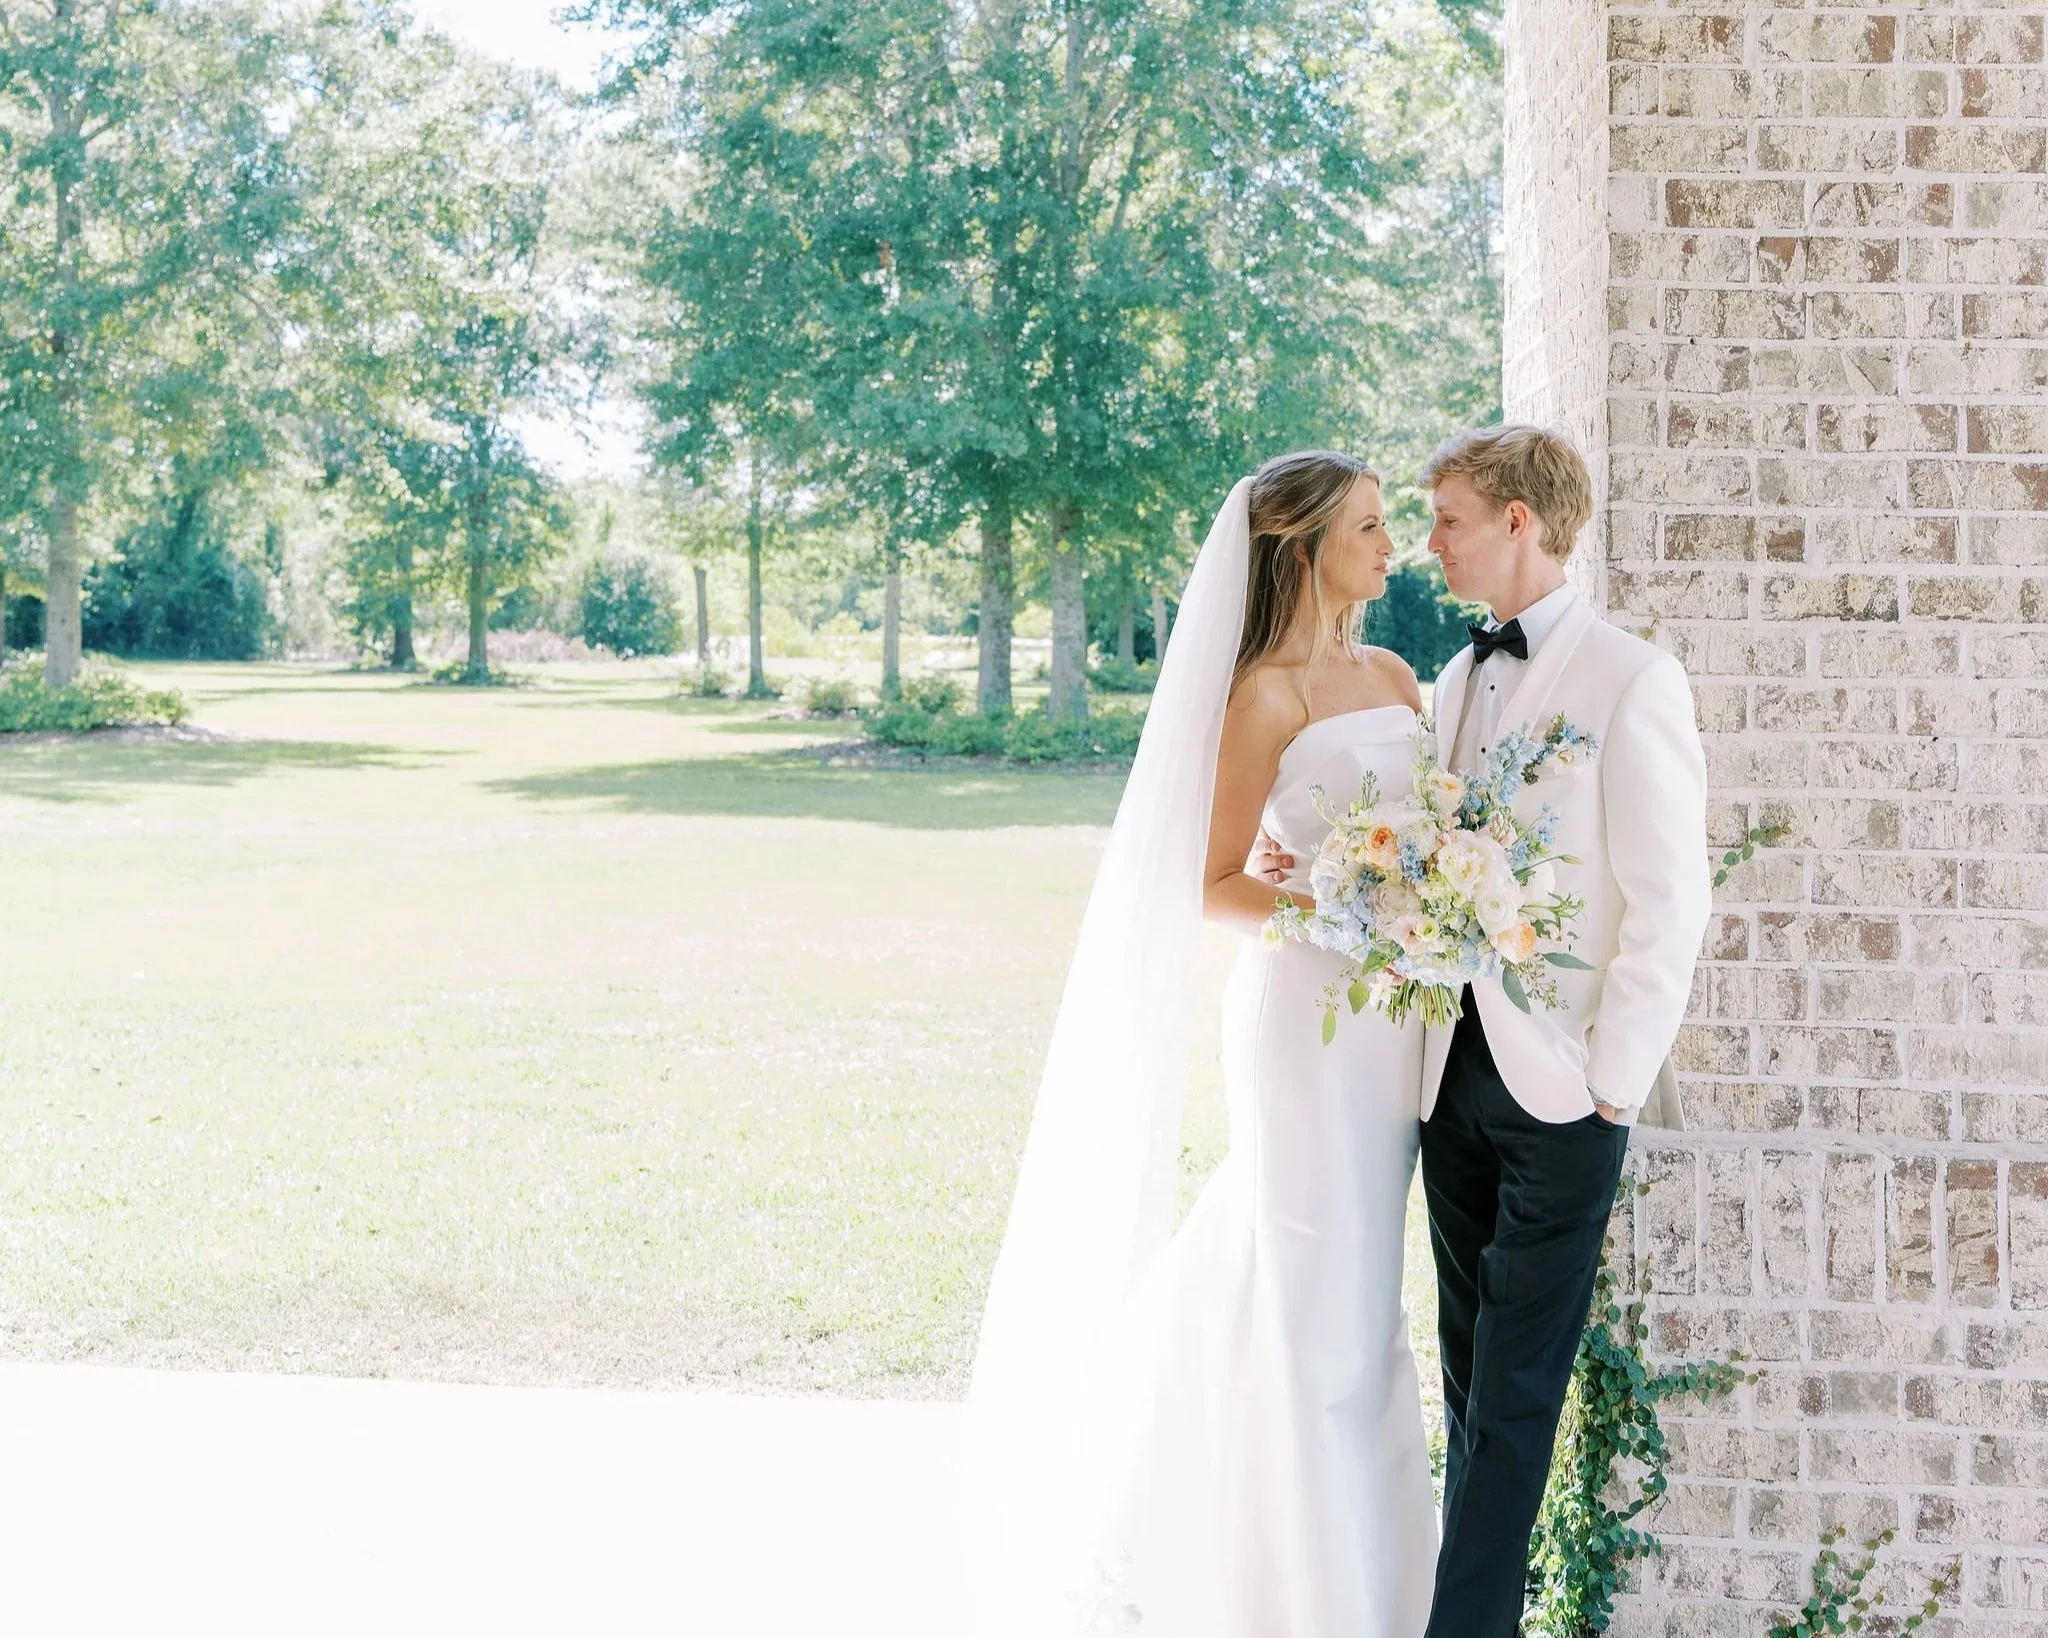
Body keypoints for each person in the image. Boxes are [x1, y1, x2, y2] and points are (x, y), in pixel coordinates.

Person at [961, 451, 1437, 1638]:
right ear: (1303, 547)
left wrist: (1428, 905)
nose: (1394, 547)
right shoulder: (1259, 694)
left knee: (1359, 1299)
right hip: (1304, 1024)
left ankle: (1372, 1576)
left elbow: (1436, 826)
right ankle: (1284, 1588)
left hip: (1396, 1029)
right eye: (1371, 529)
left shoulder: (1390, 671)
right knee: (1310, 1289)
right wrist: (1350, 913)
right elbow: (1211, 880)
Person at [1252, 424, 1710, 1638]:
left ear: (1516, 520)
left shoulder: (1628, 678)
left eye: (1446, 517)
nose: (1426, 542)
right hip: (1443, 1078)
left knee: (1512, 1403)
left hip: (1562, 1093)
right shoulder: (1443, 684)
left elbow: (1672, 899)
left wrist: (1611, 1083)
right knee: (1466, 1387)